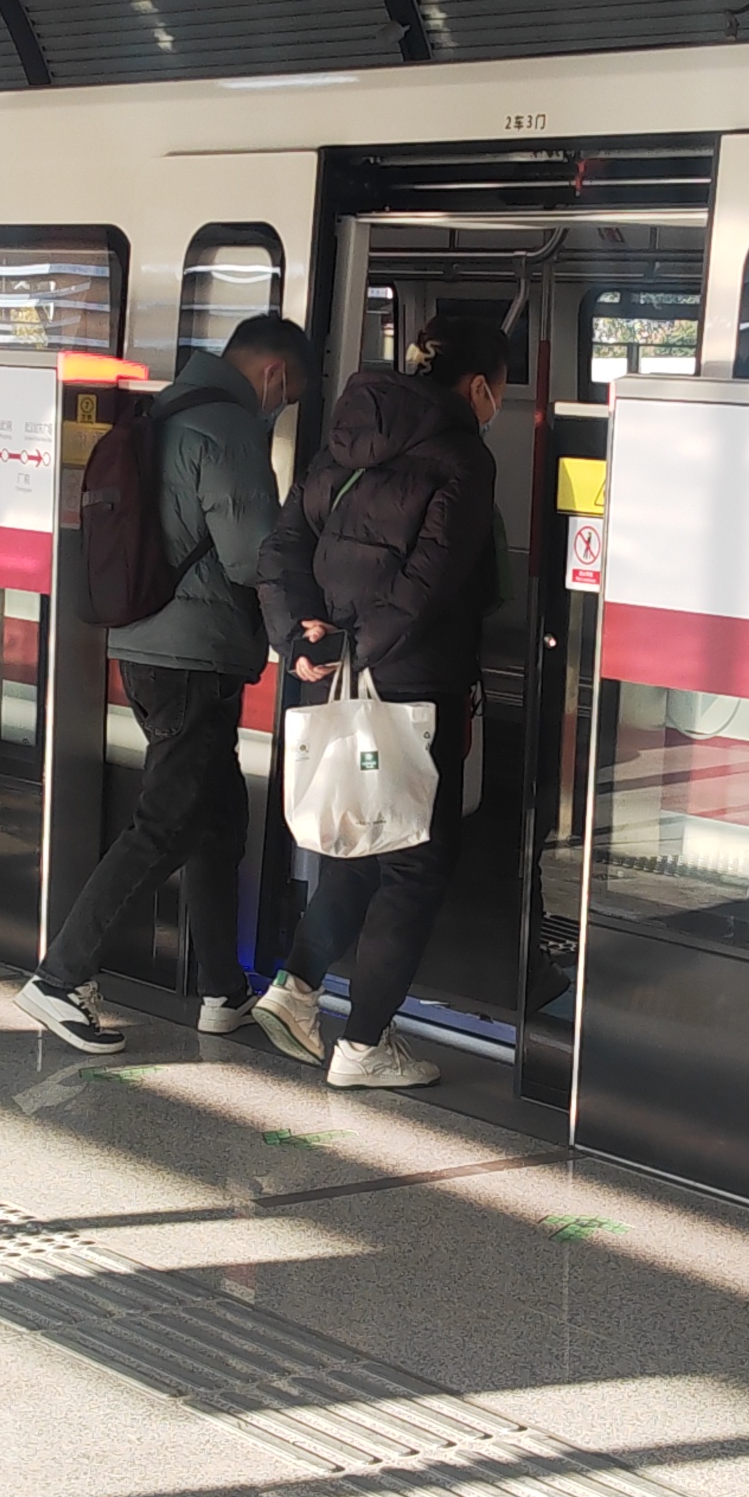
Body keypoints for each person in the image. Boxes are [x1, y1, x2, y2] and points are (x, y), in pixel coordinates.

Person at [16, 314, 315, 1050]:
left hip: (151, 641)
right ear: (275, 374)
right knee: (166, 824)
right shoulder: (230, 429)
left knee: (218, 825)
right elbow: (251, 557)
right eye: (288, 395)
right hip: (192, 655)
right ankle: (60, 979)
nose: (282, 408)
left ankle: (223, 989)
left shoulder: (168, 411)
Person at [250, 312, 507, 1090]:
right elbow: (429, 583)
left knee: (366, 838)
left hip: (338, 671)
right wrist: (357, 647)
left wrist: (301, 637)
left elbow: (282, 547)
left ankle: (296, 988)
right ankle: (363, 1045)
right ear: (478, 386)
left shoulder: (346, 437)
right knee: (417, 863)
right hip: (415, 685)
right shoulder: (464, 457)